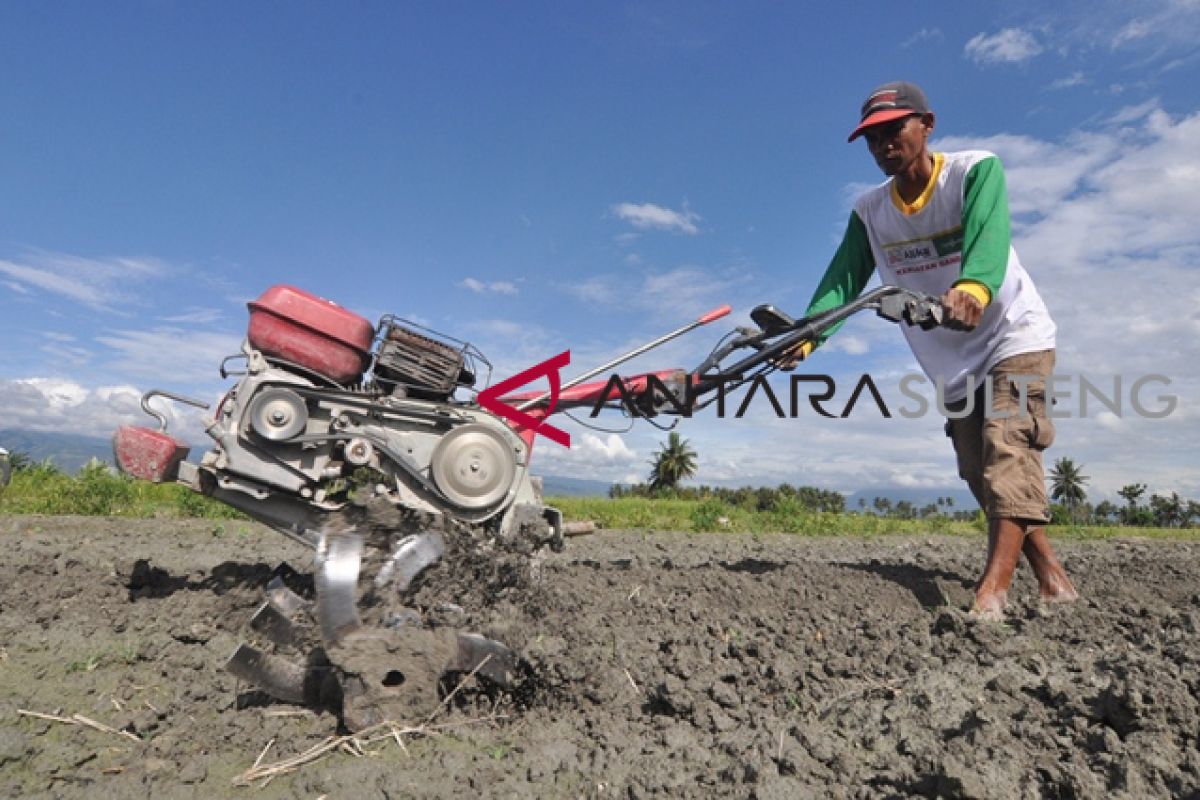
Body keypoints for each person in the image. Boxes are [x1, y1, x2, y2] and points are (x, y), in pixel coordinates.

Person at [784, 80, 1078, 619]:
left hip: (1013, 332)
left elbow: (989, 236)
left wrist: (974, 287)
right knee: (977, 468)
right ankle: (1053, 577)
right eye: (870, 138)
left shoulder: (973, 171)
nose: (882, 144)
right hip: (953, 359)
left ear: (927, 125)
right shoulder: (871, 213)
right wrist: (808, 335)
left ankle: (993, 590)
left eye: (893, 129)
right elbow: (843, 282)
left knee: (1007, 444)